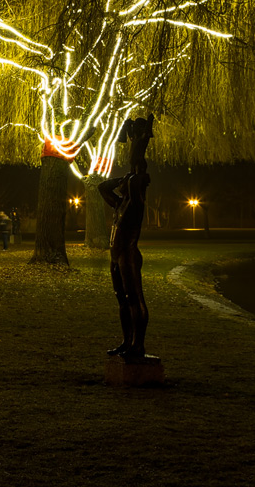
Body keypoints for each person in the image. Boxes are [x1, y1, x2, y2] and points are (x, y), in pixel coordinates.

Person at [98, 115, 154, 363]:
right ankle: (126, 341)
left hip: (128, 256)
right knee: (122, 299)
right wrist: (121, 180)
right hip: (115, 256)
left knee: (134, 299)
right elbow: (102, 187)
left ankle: (138, 345)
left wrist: (132, 175)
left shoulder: (136, 203)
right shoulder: (120, 205)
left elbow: (137, 174)